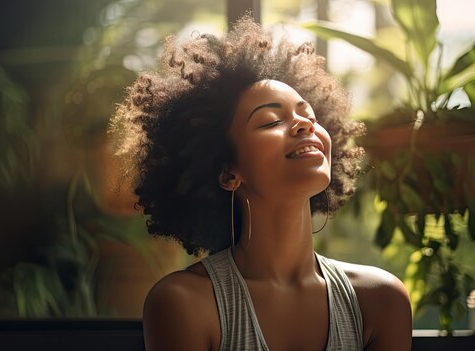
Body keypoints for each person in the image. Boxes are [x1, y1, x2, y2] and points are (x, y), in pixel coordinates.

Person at [108, 16, 412, 351]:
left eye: (309, 115)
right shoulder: (183, 304)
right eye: (271, 121)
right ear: (229, 174)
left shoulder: (382, 301)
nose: (303, 125)